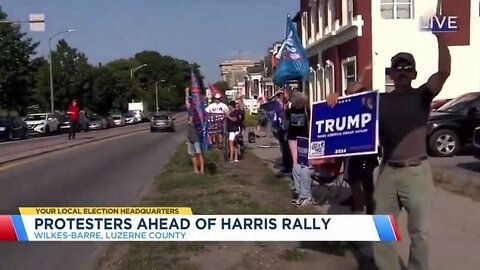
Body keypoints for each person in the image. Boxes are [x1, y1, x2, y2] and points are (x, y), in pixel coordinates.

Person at [327, 26, 450, 270]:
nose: (402, 73)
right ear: (391, 74)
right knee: (382, 229)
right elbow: (345, 109)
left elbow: (444, 72)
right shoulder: (378, 101)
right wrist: (335, 98)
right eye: (398, 68)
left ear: (414, 74)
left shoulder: (423, 95)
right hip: (388, 173)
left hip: (417, 173)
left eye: (407, 69)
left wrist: (441, 38)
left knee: (420, 233)